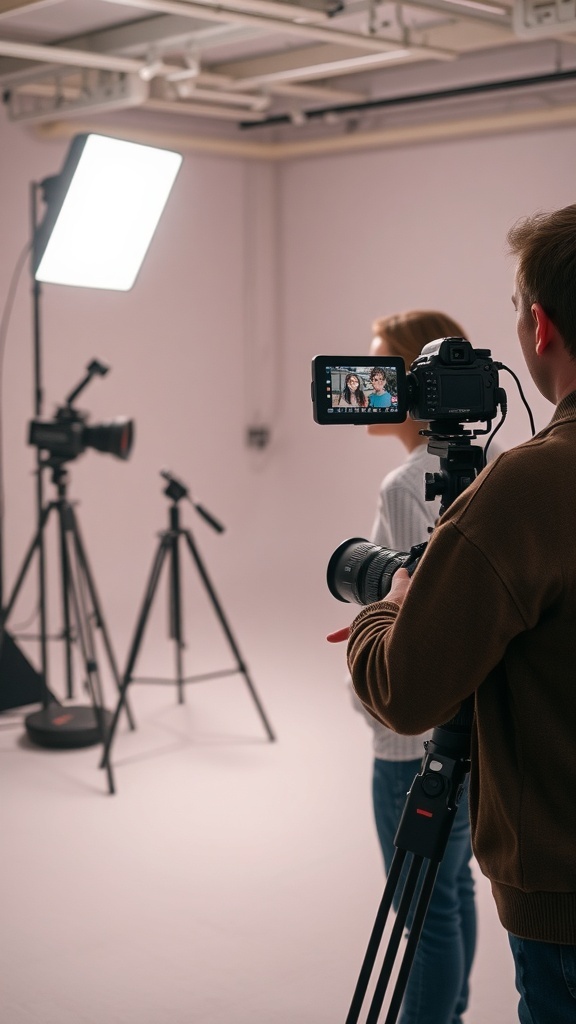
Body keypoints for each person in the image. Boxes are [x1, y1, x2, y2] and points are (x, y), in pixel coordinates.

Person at [331, 204, 576, 1024]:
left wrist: (386, 609)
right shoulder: (514, 478)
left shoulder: (528, 488)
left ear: (539, 327)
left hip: (564, 903)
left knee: (428, 912)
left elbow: (405, 688)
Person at [351, 310, 477, 1024]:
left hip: (407, 749)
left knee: (421, 919)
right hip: (467, 733)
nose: (366, 385)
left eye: (379, 370)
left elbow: (407, 624)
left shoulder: (406, 484)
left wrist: (365, 673)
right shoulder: (487, 469)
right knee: (451, 894)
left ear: (414, 382)